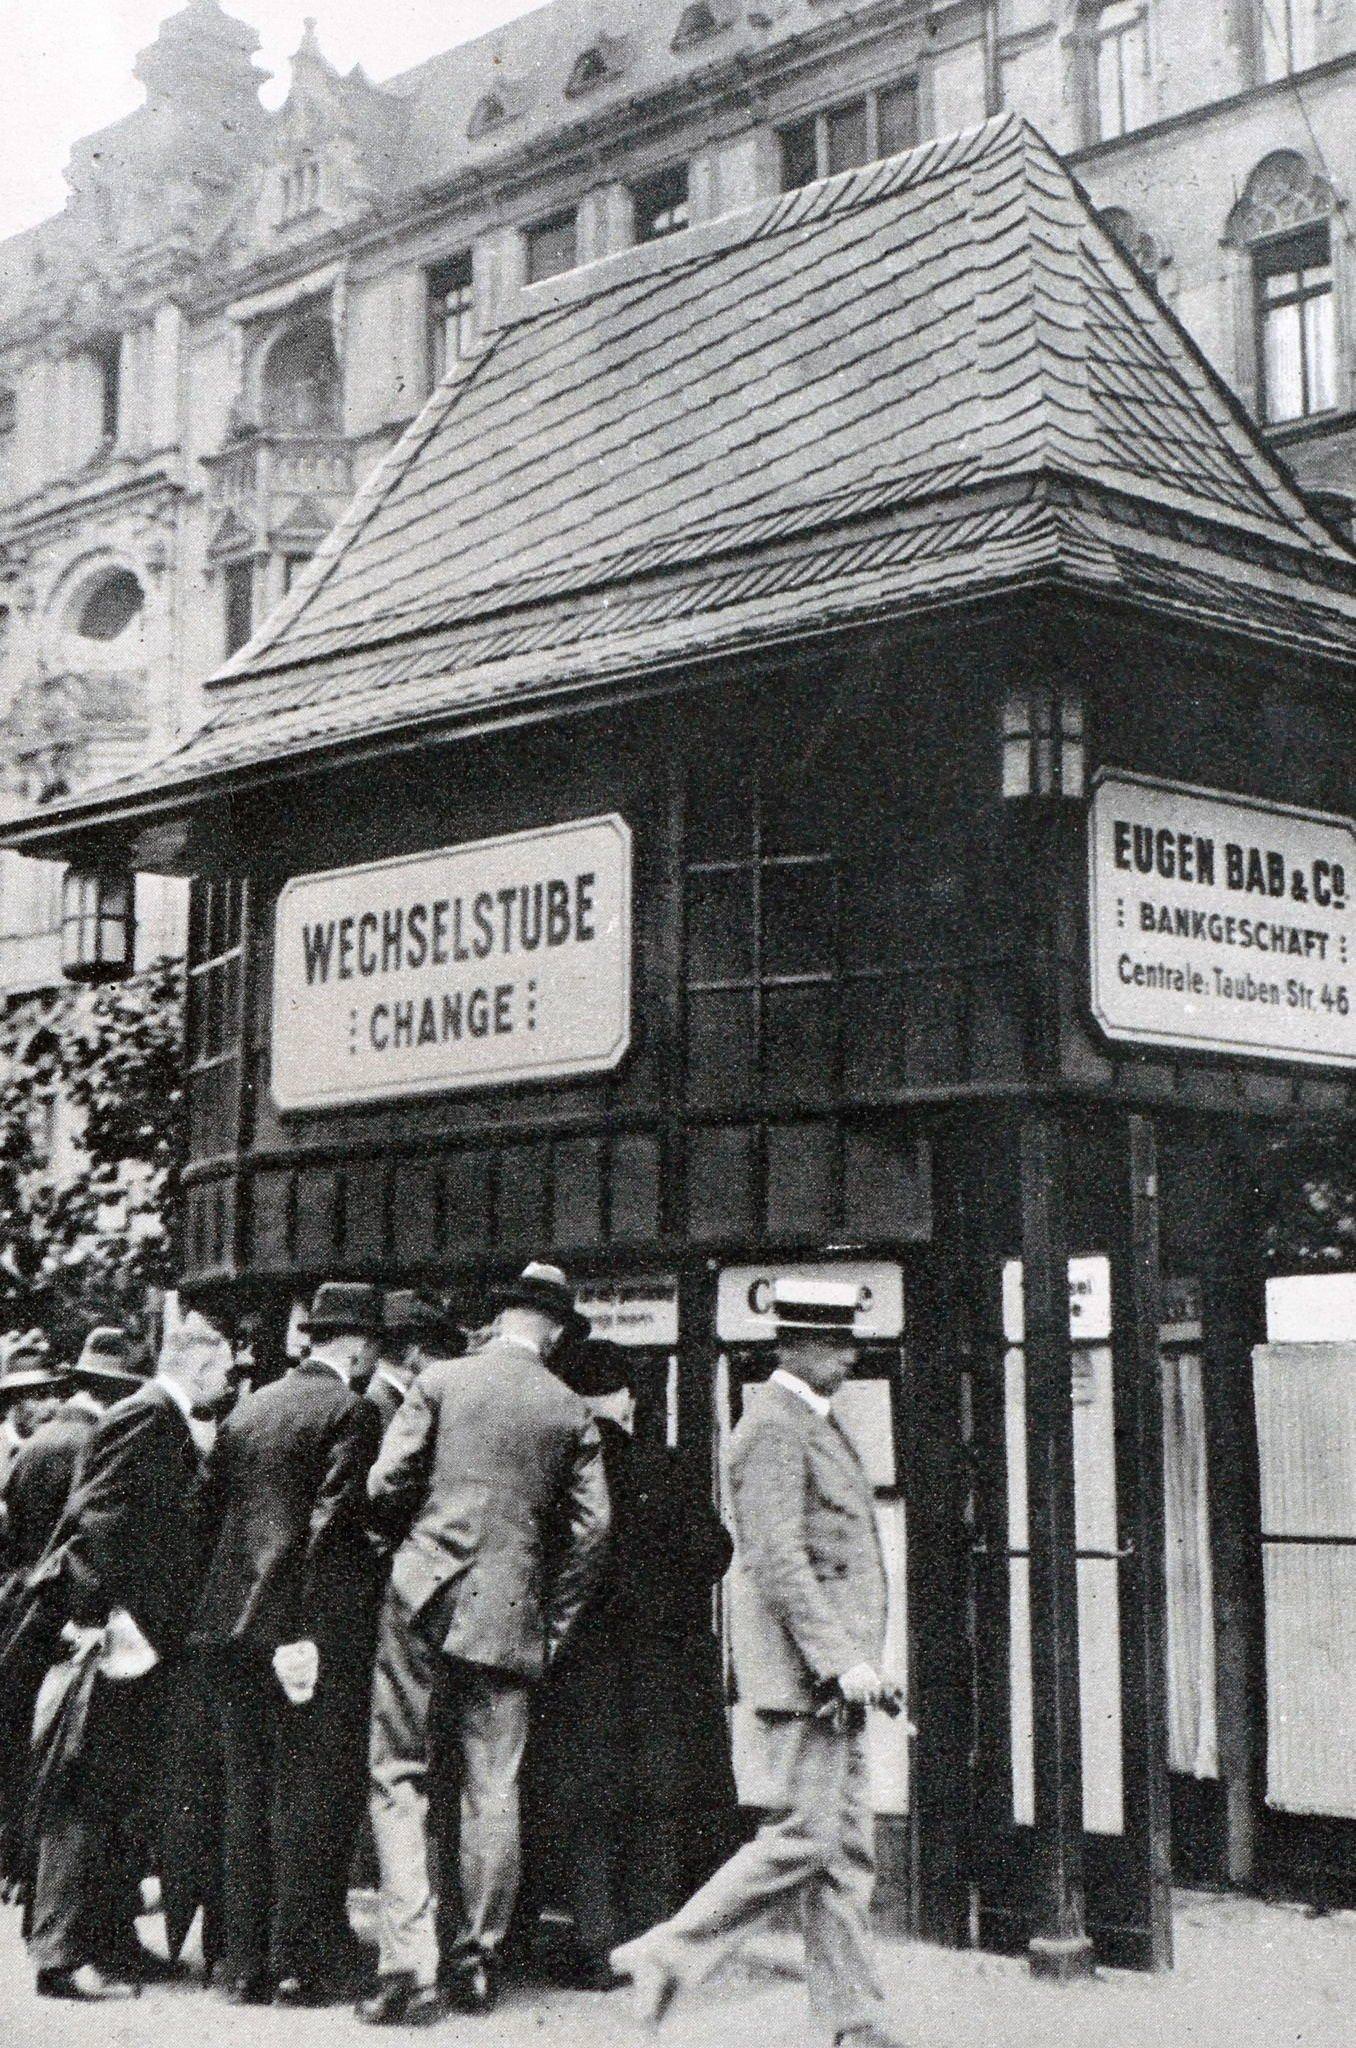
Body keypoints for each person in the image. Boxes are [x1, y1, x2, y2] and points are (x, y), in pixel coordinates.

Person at [613, 1277, 904, 2048]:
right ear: (796, 1345)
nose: (848, 1357)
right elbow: (779, 1559)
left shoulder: (808, 1418)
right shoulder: (773, 1426)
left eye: (849, 1342)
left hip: (832, 1679)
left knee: (844, 1855)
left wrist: (864, 1666)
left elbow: (834, 1558)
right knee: (805, 1839)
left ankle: (854, 2021)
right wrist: (841, 1661)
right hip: (808, 1682)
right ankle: (669, 1952)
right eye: (835, 1343)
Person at [361, 1260, 610, 2027]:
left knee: (398, 1774)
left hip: (422, 1595)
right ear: (559, 1331)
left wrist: (412, 1545)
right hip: (510, 1614)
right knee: (491, 1787)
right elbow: (593, 1532)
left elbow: (384, 1485)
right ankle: (478, 1961)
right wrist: (551, 1621)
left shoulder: (441, 1383)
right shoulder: (571, 1412)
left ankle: (410, 1966)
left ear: (501, 1317)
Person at [20, 1309, 235, 2002]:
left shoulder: (153, 1417)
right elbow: (98, 1521)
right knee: (82, 1793)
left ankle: (109, 1943)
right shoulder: (147, 1417)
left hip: (133, 1641)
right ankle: (62, 1956)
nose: (228, 1382)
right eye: (224, 1370)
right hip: (117, 1642)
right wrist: (99, 1620)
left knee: (115, 1795)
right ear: (197, 1366)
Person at [193, 1280, 385, 2008]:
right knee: (309, 1795)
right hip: (305, 1633)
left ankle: (244, 1963)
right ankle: (300, 1960)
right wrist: (302, 1631)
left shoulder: (248, 1409)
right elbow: (331, 1527)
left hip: (230, 1632)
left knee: (245, 1792)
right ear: (358, 1344)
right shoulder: (351, 1410)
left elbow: (207, 1515)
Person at [526, 1338, 738, 1987]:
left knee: (586, 1807)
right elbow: (714, 1552)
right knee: (656, 1805)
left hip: (580, 1667)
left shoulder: (555, 1472)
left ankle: (594, 1945)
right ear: (624, 1397)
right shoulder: (663, 1466)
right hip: (661, 1670)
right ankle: (651, 1942)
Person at [368, 1291, 464, 1435]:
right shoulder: (380, 1403)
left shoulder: (382, 1395)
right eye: (443, 1352)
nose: (447, 1362)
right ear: (414, 1350)